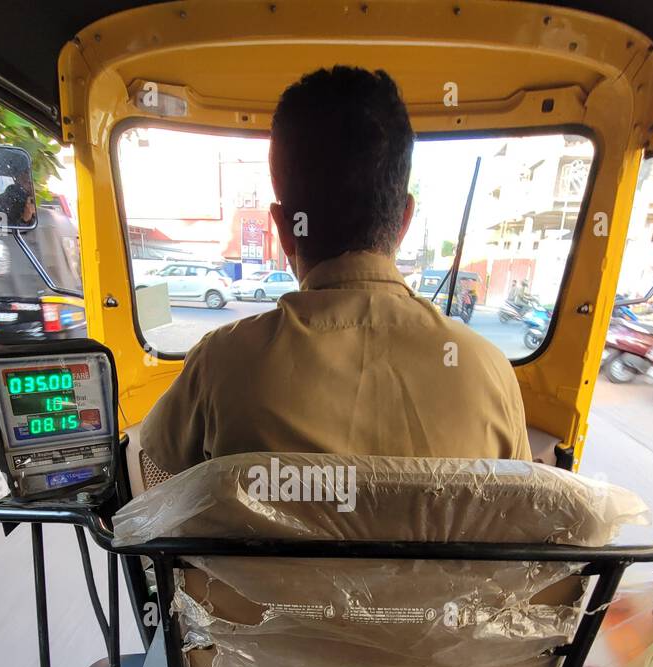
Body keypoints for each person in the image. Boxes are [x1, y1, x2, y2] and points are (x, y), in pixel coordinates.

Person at [140, 66, 531, 475]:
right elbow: (522, 510)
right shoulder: (490, 374)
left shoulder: (219, 366)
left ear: (284, 230)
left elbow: (154, 489)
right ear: (404, 220)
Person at [0, 162, 37, 227]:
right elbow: (2, 232)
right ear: (17, 178)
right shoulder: (2, 201)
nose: (32, 185)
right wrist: (25, 219)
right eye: (27, 182)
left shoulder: (33, 199)